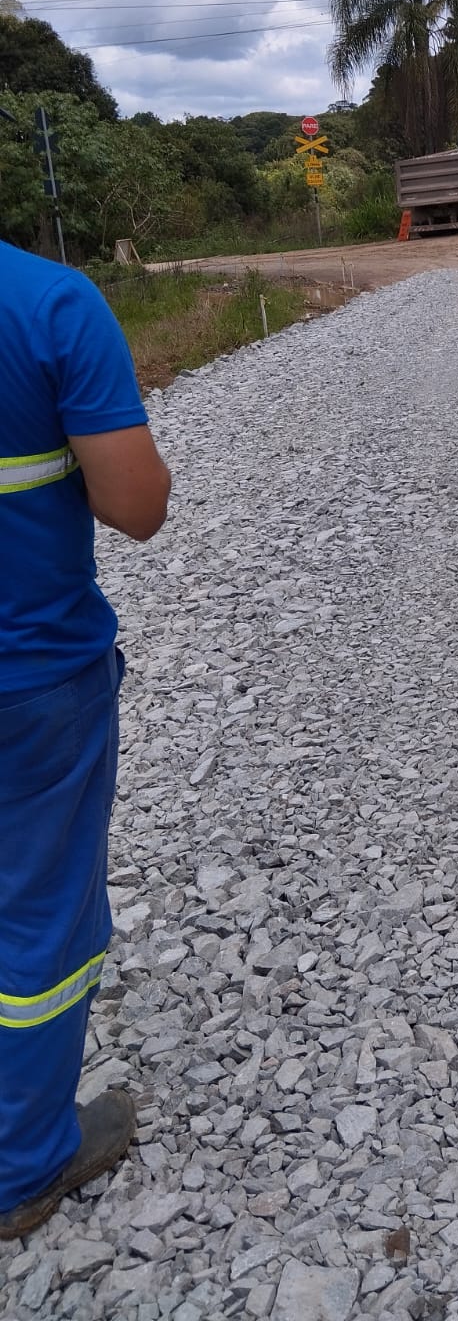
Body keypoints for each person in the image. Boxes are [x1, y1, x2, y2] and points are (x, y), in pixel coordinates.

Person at [0, 237, 171, 1239]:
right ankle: (24, 1164)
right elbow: (135, 505)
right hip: (30, 684)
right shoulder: (50, 307)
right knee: (38, 922)